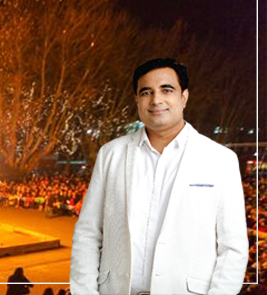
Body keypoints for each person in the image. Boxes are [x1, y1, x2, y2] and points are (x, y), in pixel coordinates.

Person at [70, 58, 248, 294]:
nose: (156, 100)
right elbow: (87, 233)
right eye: (146, 92)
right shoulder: (111, 154)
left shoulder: (220, 159)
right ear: (137, 100)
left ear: (184, 97)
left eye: (167, 90)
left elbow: (233, 248)